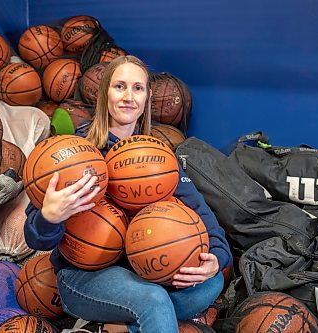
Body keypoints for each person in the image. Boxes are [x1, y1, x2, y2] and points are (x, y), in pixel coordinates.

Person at [24, 55, 232, 333]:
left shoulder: (157, 156)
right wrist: (48, 217)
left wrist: (216, 258)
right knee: (154, 301)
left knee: (209, 283)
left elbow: (205, 217)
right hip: (84, 276)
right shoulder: (77, 151)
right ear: (104, 94)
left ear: (146, 98)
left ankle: (111, 328)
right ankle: (136, 315)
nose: (128, 97)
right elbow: (34, 237)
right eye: (119, 86)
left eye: (138, 88)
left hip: (141, 271)